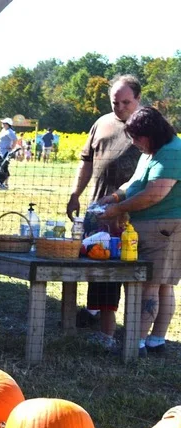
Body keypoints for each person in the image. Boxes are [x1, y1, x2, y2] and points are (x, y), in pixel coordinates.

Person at [65, 74, 143, 350]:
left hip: (129, 212)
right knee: (92, 260)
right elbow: (86, 162)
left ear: (138, 100)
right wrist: (76, 194)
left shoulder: (146, 125)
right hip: (97, 208)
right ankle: (93, 314)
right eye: (115, 102)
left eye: (126, 102)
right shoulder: (101, 123)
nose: (120, 107)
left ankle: (118, 333)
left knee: (117, 269)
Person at [98, 106, 181, 356]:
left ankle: (136, 344)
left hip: (162, 229)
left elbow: (154, 194)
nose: (134, 143)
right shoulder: (152, 151)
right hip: (156, 227)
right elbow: (135, 183)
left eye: (136, 137)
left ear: (152, 133)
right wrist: (114, 196)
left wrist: (117, 209)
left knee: (151, 285)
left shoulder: (172, 153)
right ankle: (155, 341)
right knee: (163, 284)